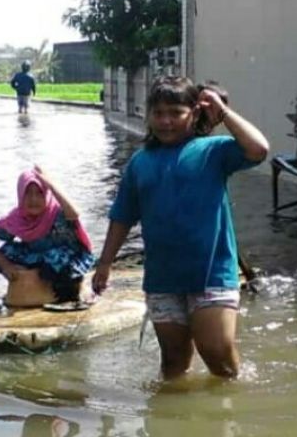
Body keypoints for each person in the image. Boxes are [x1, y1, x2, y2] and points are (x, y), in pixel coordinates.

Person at [92, 76, 270, 379]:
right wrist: (105, 263)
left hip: (212, 274)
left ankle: (227, 419)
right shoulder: (140, 162)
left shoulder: (214, 151)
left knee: (218, 357)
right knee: (173, 365)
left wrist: (223, 113)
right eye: (158, 113)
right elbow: (122, 216)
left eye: (176, 113)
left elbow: (259, 150)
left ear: (194, 113)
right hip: (163, 279)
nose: (166, 121)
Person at [0, 166, 96, 304]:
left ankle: (69, 292)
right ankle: (31, 288)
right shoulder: (17, 218)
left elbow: (75, 214)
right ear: (20, 195)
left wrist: (51, 184)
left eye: (39, 193)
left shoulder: (58, 212)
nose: (33, 199)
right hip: (38, 254)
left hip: (68, 256)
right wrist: (6, 266)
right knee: (8, 250)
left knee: (56, 259)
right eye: (28, 194)